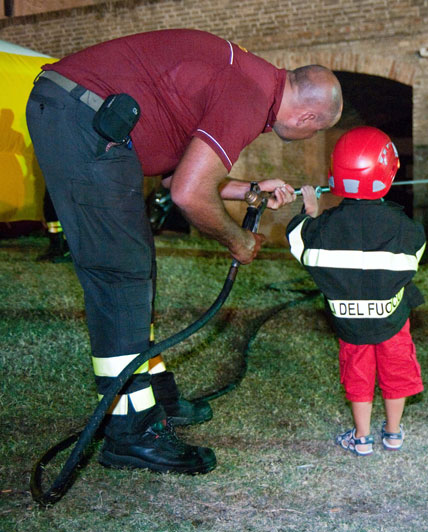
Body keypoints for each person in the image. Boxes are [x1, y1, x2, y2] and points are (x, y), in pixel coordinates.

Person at [25, 29, 342, 474]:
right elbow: (190, 196)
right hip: (81, 115)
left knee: (135, 268)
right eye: (316, 132)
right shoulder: (249, 95)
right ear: (308, 117)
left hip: (83, 112)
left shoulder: (251, 79)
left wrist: (251, 190)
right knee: (120, 273)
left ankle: (155, 395)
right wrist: (238, 240)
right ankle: (131, 432)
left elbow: (180, 178)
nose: (308, 137)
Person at [286, 126, 426, 456]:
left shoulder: (323, 228)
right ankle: (393, 433)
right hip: (392, 320)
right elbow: (414, 257)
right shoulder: (406, 228)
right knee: (396, 371)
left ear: (337, 174)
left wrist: (308, 212)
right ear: (388, 173)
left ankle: (361, 438)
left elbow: (297, 242)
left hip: (349, 324)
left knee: (358, 375)